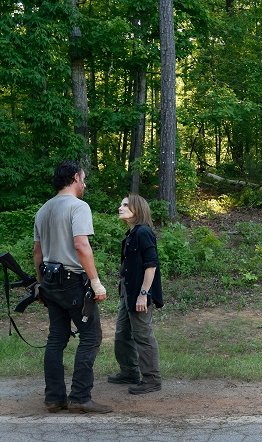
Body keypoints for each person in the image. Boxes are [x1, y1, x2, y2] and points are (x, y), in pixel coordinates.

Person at [33, 160, 111, 414]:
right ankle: (80, 397)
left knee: (56, 338)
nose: (85, 183)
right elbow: (81, 246)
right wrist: (96, 283)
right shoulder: (79, 207)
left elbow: (38, 251)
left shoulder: (43, 210)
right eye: (84, 178)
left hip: (50, 280)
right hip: (73, 282)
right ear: (76, 177)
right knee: (90, 337)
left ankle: (54, 398)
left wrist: (41, 283)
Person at [108, 194, 164, 394]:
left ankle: (151, 379)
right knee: (122, 334)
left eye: (125, 205)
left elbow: (151, 266)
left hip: (139, 293)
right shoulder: (132, 234)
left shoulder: (143, 233)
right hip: (127, 291)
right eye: (121, 204)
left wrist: (143, 294)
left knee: (143, 335)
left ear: (137, 209)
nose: (120, 207)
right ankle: (130, 372)